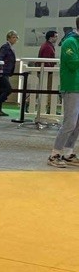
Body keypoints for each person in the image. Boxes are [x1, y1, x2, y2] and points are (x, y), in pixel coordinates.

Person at [48, 16, 79, 168]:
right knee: (69, 123)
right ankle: (54, 154)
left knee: (77, 124)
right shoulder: (70, 42)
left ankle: (68, 152)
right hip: (71, 87)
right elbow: (73, 64)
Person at [0, 31, 19, 117]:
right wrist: (0, 70)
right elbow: (0, 58)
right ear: (9, 38)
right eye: (13, 37)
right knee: (8, 89)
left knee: (3, 90)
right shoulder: (5, 47)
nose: (15, 39)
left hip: (5, 72)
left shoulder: (10, 47)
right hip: (1, 72)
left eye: (16, 37)